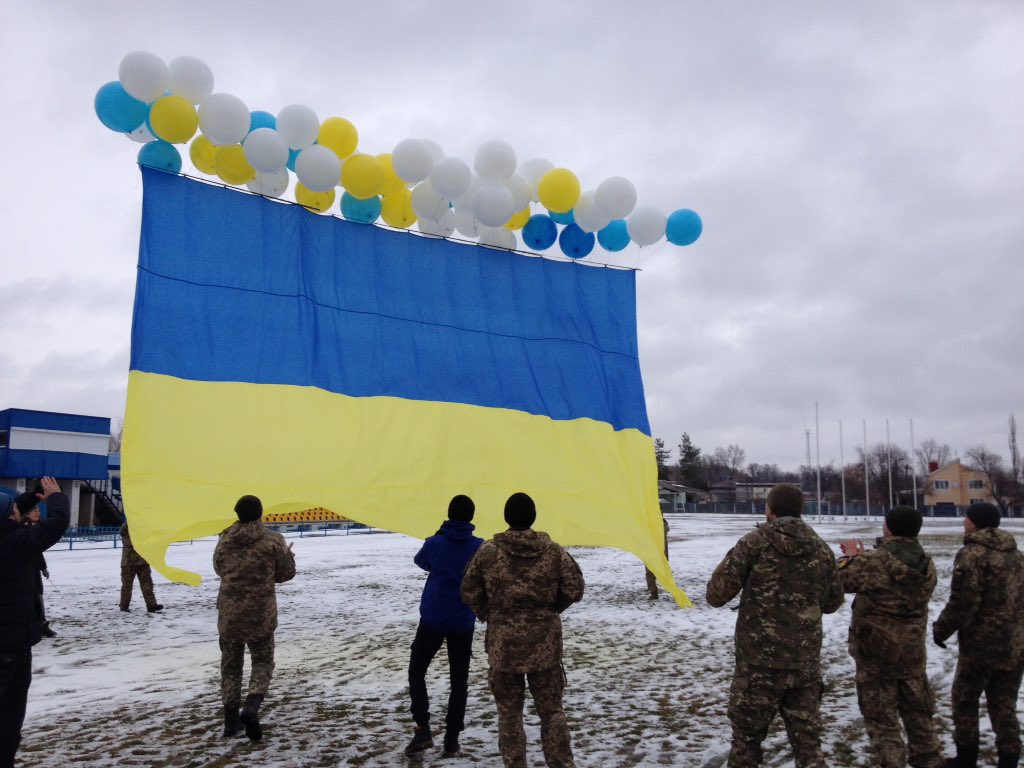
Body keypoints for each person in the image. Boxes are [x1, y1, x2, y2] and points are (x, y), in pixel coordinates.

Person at [706, 483, 844, 767]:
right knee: (808, 746)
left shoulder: (754, 543)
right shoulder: (820, 549)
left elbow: (716, 594)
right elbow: (833, 602)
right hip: (803, 664)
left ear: (769, 509)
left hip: (758, 666)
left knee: (746, 744)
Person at [461, 492, 585, 768]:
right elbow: (574, 589)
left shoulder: (488, 552)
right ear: (533, 517)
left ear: (506, 518)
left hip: (504, 647)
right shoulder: (553, 551)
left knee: (509, 716)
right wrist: (551, 610)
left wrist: (491, 615)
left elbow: (469, 590)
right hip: (546, 647)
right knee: (552, 712)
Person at [837, 506, 943, 768]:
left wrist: (851, 558)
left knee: (883, 723)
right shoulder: (927, 564)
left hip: (877, 654)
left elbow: (839, 582)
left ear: (888, 528)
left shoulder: (874, 562)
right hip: (912, 654)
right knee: (920, 719)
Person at [933, 502, 1024, 768]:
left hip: (981, 645)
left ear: (974, 522)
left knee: (965, 699)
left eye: (967, 517)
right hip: (1015, 644)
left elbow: (964, 602)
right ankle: (1009, 759)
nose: (964, 521)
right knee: (1004, 703)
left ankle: (966, 757)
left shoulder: (971, 554)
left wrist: (942, 629)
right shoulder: (1016, 555)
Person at [404, 494, 484, 757]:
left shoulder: (435, 543)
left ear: (449, 515)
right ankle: (452, 739)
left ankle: (423, 728)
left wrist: (438, 535)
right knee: (459, 681)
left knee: (417, 671)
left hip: (433, 617)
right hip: (463, 620)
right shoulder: (479, 547)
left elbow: (421, 561)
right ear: (472, 518)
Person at [214, 495, 296, 742]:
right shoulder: (273, 540)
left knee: (230, 668)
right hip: (261, 614)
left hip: (229, 615)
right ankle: (251, 706)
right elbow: (285, 574)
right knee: (262, 662)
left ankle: (230, 723)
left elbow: (219, 569)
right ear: (261, 513)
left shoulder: (225, 538)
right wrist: (289, 557)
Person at [0, 478, 69, 768]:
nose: (19, 510)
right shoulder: (14, 541)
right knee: (7, 721)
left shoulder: (9, 536)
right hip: (9, 650)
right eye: (15, 508)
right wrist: (56, 498)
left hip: (11, 643)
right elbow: (56, 525)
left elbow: (12, 513)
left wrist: (31, 497)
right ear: (10, 517)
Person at [19, 501, 56, 639]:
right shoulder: (23, 528)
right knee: (28, 598)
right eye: (35, 510)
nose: (38, 513)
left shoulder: (37, 527)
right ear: (27, 514)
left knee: (38, 596)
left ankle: (41, 624)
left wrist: (43, 567)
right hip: (24, 571)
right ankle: (33, 625)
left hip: (34, 570)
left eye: (39, 510)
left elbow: (38, 551)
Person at [119, 521, 163, 613]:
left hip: (143, 562)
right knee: (127, 586)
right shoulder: (125, 529)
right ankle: (124, 606)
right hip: (128, 563)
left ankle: (151, 605)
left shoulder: (143, 527)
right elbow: (129, 542)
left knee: (147, 585)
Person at [644, 512, 670, 600]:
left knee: (653, 573)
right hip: (652, 552)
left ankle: (654, 592)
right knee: (650, 572)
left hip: (658, 553)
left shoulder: (660, 525)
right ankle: (652, 590)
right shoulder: (660, 523)